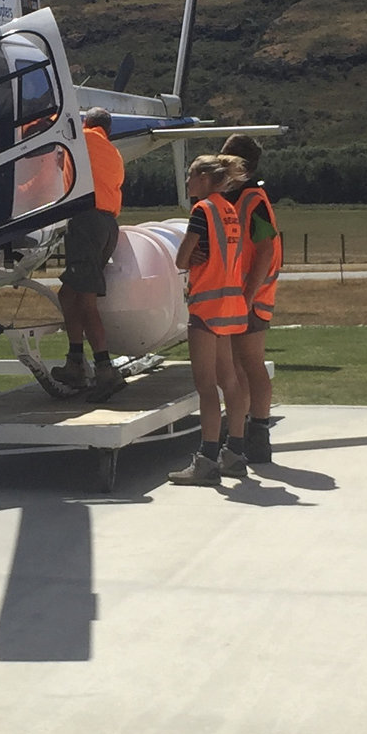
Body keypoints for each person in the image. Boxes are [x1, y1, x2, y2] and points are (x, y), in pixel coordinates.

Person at [167, 154, 252, 487]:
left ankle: (206, 459)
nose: (187, 182)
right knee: (229, 380)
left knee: (205, 386)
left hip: (206, 305)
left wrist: (192, 256)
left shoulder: (202, 210)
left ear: (204, 177)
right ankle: (235, 453)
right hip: (231, 304)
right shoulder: (230, 209)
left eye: (190, 176)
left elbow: (181, 258)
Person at [54, 108, 128, 401]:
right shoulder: (114, 153)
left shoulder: (82, 137)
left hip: (86, 221)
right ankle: (75, 360)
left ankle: (104, 369)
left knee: (85, 302)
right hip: (109, 224)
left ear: (87, 123)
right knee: (67, 294)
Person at [223, 133, 282, 463]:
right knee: (239, 366)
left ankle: (258, 431)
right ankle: (245, 430)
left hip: (252, 296)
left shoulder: (252, 200)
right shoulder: (239, 197)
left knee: (250, 363)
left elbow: (265, 249)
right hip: (242, 294)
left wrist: (247, 296)